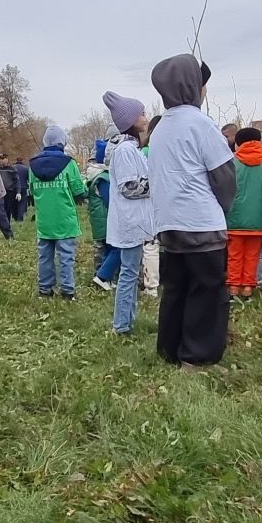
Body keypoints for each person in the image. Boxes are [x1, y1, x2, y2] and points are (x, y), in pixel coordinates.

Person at [149, 53, 234, 368]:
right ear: (192, 86)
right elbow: (224, 176)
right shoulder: (201, 124)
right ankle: (197, 356)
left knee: (176, 288)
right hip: (200, 224)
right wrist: (220, 211)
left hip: (169, 224)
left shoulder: (160, 128)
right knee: (207, 290)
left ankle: (170, 349)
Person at [102, 92, 155, 333]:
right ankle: (121, 325)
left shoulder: (131, 149)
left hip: (134, 222)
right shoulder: (125, 151)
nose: (145, 117)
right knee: (128, 274)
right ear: (131, 121)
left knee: (131, 273)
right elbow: (129, 187)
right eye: (142, 113)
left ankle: (127, 321)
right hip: (129, 222)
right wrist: (157, 185)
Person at [28, 125, 88, 299]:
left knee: (44, 256)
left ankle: (45, 289)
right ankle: (68, 290)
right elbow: (78, 191)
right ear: (62, 142)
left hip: (44, 220)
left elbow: (31, 191)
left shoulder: (33, 166)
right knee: (66, 257)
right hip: (65, 219)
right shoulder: (69, 164)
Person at [226, 126, 262, 298]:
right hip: (258, 217)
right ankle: (247, 287)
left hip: (235, 216)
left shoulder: (231, 162)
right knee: (253, 254)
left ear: (238, 143)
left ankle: (233, 286)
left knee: (234, 254)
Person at [85, 143, 117, 290]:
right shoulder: (104, 178)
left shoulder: (95, 176)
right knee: (112, 249)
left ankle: (103, 277)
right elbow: (110, 201)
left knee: (105, 249)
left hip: (98, 220)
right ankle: (101, 277)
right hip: (106, 221)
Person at [141, 115, 163, 298]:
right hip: (167, 202)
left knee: (150, 245)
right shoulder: (166, 150)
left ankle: (151, 286)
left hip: (149, 202)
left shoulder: (145, 152)